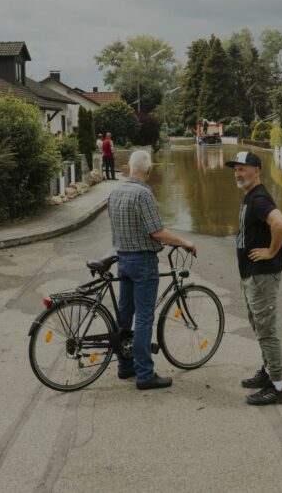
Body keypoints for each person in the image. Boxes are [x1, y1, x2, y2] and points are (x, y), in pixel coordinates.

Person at [108, 150, 197, 390]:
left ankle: (124, 366)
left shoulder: (115, 192)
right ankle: (145, 374)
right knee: (145, 317)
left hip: (123, 260)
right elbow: (157, 231)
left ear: (128, 167)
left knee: (124, 315)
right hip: (142, 263)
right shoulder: (142, 194)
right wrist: (184, 242)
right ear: (149, 171)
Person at [226, 151, 282, 406]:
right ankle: (267, 371)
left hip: (262, 275)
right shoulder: (250, 196)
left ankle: (277, 386)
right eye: (236, 169)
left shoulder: (259, 198)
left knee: (266, 330)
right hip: (252, 274)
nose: (238, 173)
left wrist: (271, 251)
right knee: (259, 326)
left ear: (256, 170)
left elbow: (281, 224)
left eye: (243, 169)